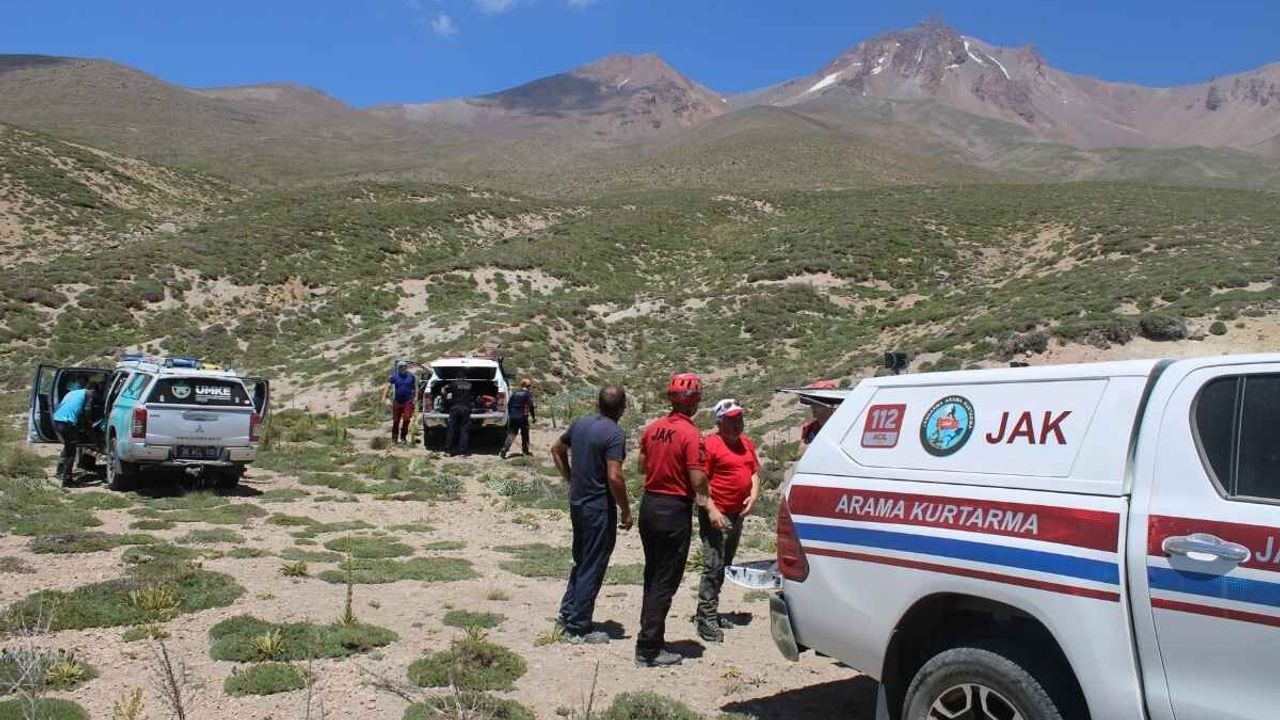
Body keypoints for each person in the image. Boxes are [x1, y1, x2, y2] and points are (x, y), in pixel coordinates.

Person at [635, 372, 726, 668]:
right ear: (695, 402)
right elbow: (698, 478)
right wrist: (706, 500)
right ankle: (649, 648)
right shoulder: (691, 435)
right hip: (673, 509)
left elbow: (640, 466)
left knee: (652, 573)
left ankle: (650, 636)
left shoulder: (652, 429)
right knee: (666, 578)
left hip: (649, 504)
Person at [550, 385, 631, 645]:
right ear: (622, 408)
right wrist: (626, 510)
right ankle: (578, 626)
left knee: (582, 559)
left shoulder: (580, 424)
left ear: (598, 403)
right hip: (598, 507)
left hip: (577, 502)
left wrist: (570, 478)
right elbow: (614, 476)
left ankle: (567, 613)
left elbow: (556, 449)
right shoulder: (615, 434)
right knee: (593, 564)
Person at [695, 399, 760, 643]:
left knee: (725, 563)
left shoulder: (746, 443)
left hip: (737, 513)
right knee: (713, 564)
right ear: (719, 422)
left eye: (739, 419)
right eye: (731, 420)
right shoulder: (709, 445)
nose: (737, 424)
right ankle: (706, 618)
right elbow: (699, 483)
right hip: (717, 513)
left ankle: (710, 611)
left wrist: (753, 495)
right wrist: (711, 510)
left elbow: (753, 472)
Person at [52, 383, 96, 488]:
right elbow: (87, 410)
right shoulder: (88, 393)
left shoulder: (72, 393)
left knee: (68, 446)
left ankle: (60, 471)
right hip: (67, 423)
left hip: (57, 419)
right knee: (71, 451)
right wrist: (89, 424)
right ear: (92, 390)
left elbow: (71, 407)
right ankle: (67, 480)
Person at [798, 379, 839, 458]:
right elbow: (800, 452)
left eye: (817, 404)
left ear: (830, 405)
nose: (813, 407)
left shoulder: (842, 427)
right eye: (812, 403)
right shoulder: (810, 428)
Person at [382, 362, 418, 445]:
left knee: (406, 418)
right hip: (397, 401)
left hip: (408, 401)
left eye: (405, 366)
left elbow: (416, 386)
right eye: (401, 367)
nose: (403, 368)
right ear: (398, 368)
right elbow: (388, 386)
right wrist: (384, 397)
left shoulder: (411, 376)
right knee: (396, 420)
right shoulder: (394, 376)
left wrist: (416, 397)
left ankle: (403, 437)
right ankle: (394, 438)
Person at [501, 379, 537, 459]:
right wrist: (533, 417)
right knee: (525, 434)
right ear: (528, 386)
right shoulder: (528, 394)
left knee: (512, 434)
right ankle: (525, 451)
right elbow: (531, 406)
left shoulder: (515, 393)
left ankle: (505, 448)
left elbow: (509, 405)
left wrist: (511, 414)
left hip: (513, 416)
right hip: (523, 417)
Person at [443, 379, 473, 456]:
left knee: (451, 429)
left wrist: (446, 398)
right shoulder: (469, 384)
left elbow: (443, 390)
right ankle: (462, 451)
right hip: (465, 408)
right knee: (464, 430)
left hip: (455, 408)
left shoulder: (453, 384)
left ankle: (448, 450)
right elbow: (474, 396)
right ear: (465, 377)